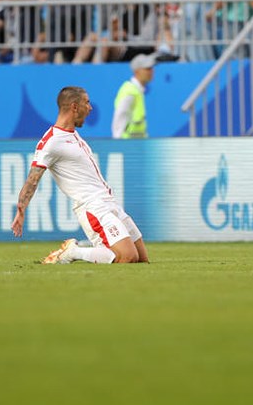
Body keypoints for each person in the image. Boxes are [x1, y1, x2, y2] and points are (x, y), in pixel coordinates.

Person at [11, 86, 149, 265]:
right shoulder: (51, 141)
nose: (90, 108)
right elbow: (33, 179)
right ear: (74, 107)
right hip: (92, 207)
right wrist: (21, 210)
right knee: (128, 257)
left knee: (141, 260)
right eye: (87, 102)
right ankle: (73, 252)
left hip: (109, 202)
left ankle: (82, 251)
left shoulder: (73, 135)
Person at [111, 53, 155, 139]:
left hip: (136, 144)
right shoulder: (130, 91)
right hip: (127, 145)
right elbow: (119, 118)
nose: (152, 71)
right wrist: (117, 145)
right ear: (137, 71)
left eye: (152, 68)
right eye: (147, 68)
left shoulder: (137, 90)